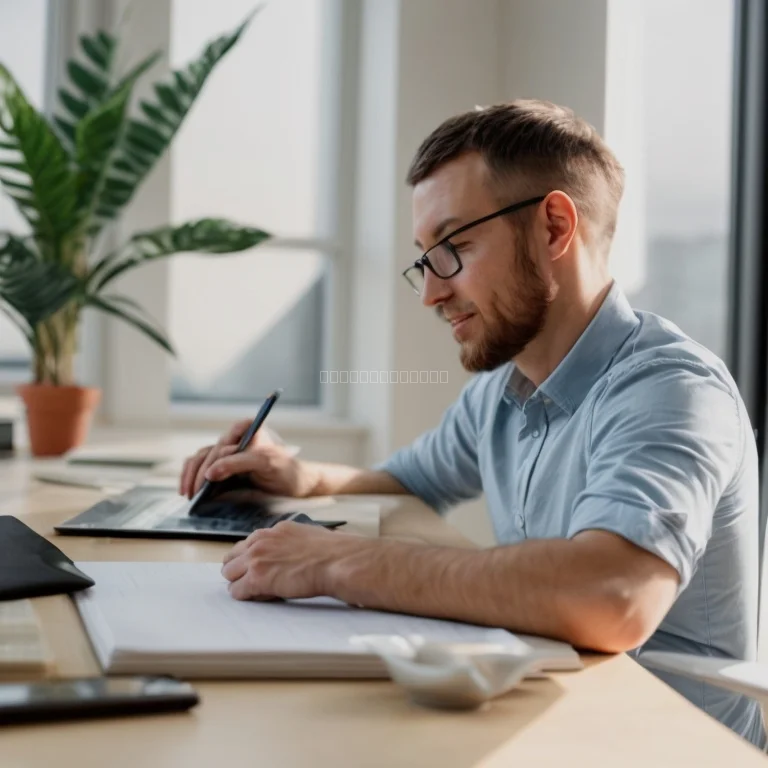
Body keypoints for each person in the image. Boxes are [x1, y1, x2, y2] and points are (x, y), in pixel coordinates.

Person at [180, 100, 765, 747]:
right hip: (552, 720)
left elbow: (615, 595)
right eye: (425, 259)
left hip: (666, 744)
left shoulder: (669, 389)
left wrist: (339, 563)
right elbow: (407, 482)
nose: (432, 293)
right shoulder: (501, 391)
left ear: (553, 228)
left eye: (455, 247)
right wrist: (299, 476)